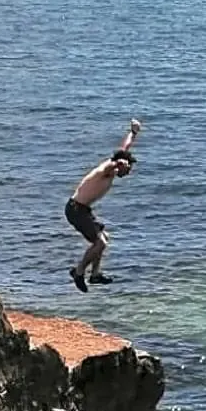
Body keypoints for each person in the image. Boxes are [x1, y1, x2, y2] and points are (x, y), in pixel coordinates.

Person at [66, 119, 142, 293]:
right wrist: (121, 164)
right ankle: (78, 272)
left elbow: (124, 148)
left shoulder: (113, 168)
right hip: (76, 210)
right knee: (100, 243)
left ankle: (95, 274)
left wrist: (133, 132)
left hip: (82, 210)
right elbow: (118, 160)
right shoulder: (107, 168)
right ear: (122, 164)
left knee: (104, 238)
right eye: (128, 169)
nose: (128, 173)